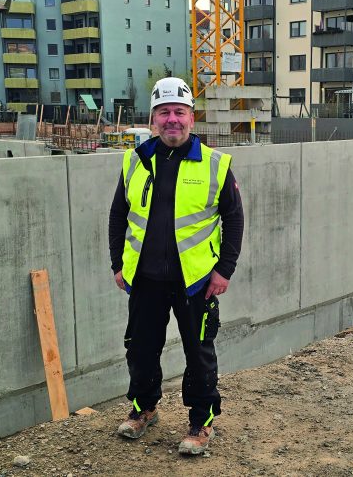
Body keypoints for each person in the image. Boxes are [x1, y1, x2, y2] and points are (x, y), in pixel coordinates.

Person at [107, 77, 244, 456]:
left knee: (199, 354)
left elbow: (234, 218)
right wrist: (118, 264)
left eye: (179, 112)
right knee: (140, 349)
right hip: (145, 279)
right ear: (153, 119)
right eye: (164, 112)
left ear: (191, 118)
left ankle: (201, 421)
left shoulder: (215, 164)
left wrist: (224, 270)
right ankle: (143, 409)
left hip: (196, 281)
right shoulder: (135, 161)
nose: (172, 119)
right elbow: (118, 215)